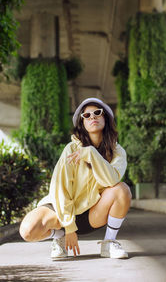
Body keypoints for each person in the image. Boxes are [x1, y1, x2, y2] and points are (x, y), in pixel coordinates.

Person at [19, 97, 132, 260]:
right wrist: (68, 227)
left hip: (91, 212)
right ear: (82, 123)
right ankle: (59, 235)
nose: (92, 117)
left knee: (122, 190)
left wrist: (91, 154)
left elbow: (111, 181)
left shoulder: (118, 151)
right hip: (60, 209)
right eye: (87, 115)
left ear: (105, 118)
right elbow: (60, 188)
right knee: (27, 231)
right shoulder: (71, 149)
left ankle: (109, 242)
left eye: (97, 113)